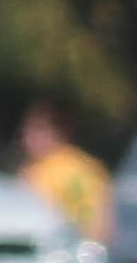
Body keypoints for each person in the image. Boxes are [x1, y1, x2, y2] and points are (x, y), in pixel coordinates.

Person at [18, 100, 112, 244]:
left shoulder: (75, 169)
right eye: (26, 131)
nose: (27, 138)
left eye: (37, 131)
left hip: (64, 247)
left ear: (58, 133)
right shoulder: (35, 168)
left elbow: (93, 219)